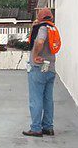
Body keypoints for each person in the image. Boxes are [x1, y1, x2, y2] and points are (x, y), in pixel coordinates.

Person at [23, 8, 58, 137]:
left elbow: (40, 41)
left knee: (36, 98)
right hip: (51, 68)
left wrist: (35, 55)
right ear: (51, 18)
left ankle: (36, 128)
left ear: (40, 18)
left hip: (38, 68)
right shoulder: (53, 28)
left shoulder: (43, 28)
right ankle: (48, 127)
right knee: (48, 99)